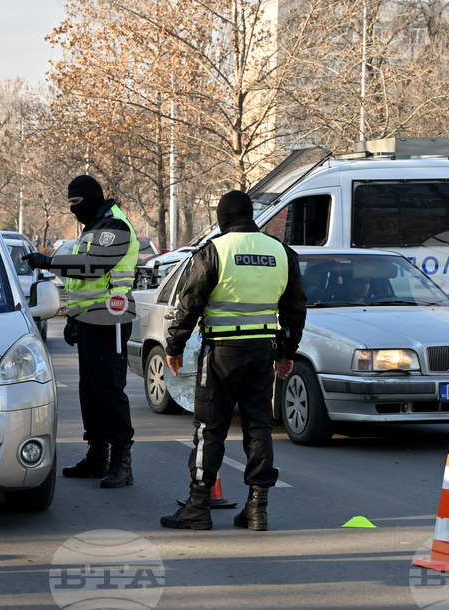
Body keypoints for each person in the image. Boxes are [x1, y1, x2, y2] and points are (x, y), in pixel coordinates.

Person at [160, 190, 306, 531]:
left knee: (209, 428)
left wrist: (175, 346)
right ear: (251, 215)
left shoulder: (214, 250)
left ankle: (198, 507)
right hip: (261, 353)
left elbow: (191, 303)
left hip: (222, 354)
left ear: (223, 217)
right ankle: (257, 509)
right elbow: (296, 309)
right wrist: (286, 354)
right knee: (258, 426)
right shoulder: (281, 252)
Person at [24, 175, 138, 489]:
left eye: (76, 203)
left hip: (111, 320)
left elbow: (93, 267)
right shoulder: (95, 227)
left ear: (90, 198)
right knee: (91, 392)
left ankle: (121, 462)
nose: (74, 210)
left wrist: (49, 261)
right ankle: (97, 456)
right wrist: (74, 317)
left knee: (109, 392)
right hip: (90, 319)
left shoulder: (115, 226)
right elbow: (83, 283)